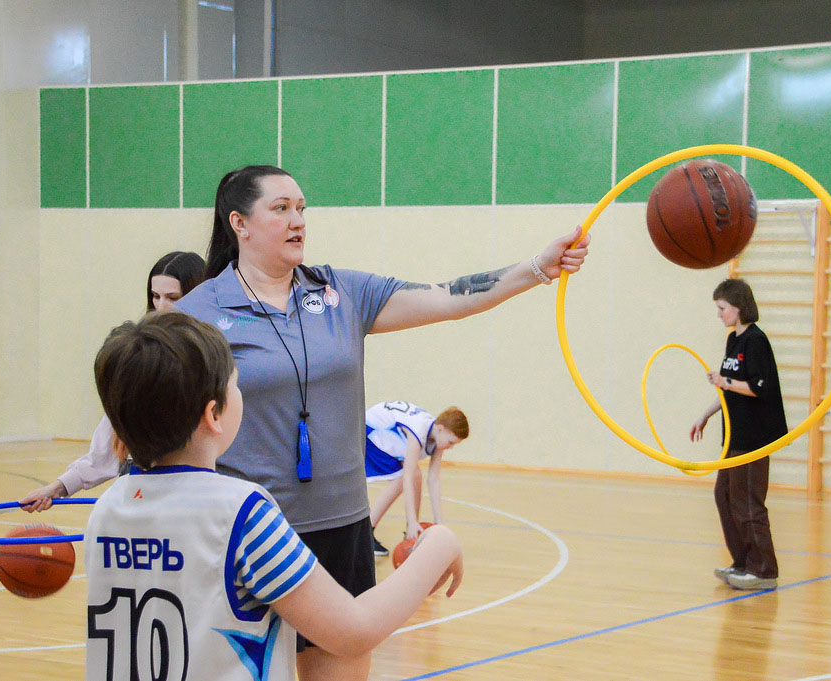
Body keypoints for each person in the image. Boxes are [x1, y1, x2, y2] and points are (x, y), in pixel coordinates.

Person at [175, 164, 589, 681]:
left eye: (302, 208)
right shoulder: (199, 312)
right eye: (281, 209)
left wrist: (537, 267)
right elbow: (160, 410)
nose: (298, 219)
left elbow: (449, 297)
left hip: (341, 529)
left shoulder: (340, 292)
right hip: (250, 531)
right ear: (240, 223)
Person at [85, 311, 463, 681]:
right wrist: (440, 543)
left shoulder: (106, 509)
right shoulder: (242, 513)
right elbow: (353, 631)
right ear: (214, 414)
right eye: (237, 384)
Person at [19, 251, 205, 512]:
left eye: (173, 298)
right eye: (155, 296)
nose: (161, 306)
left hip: (192, 487)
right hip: (139, 481)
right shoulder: (141, 354)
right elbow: (108, 443)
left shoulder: (210, 357)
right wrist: (59, 487)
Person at [689, 278, 787, 591]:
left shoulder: (756, 341)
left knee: (748, 502)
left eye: (722, 308)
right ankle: (742, 563)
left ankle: (764, 570)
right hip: (734, 435)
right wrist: (705, 414)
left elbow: (759, 387)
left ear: (739, 308)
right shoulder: (734, 340)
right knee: (725, 496)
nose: (718, 315)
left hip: (754, 436)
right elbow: (728, 386)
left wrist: (724, 382)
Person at [364, 401, 468, 556]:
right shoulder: (418, 432)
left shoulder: (437, 435)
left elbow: (433, 479)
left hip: (387, 430)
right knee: (404, 478)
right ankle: (366, 535)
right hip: (371, 432)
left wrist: (439, 522)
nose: (450, 447)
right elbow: (407, 478)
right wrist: (411, 520)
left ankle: (411, 533)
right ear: (441, 429)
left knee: (416, 475)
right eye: (451, 442)